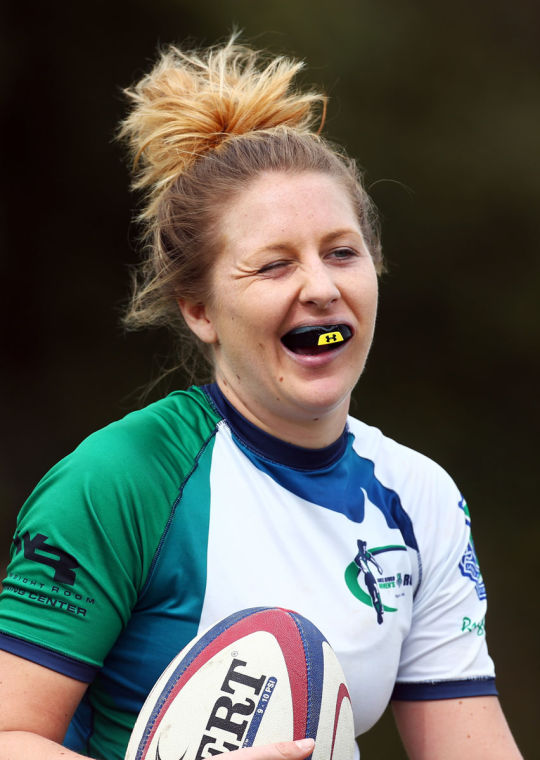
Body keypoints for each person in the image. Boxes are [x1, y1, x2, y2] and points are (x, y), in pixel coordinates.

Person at [0, 37, 522, 760]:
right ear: (200, 310)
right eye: (275, 264)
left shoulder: (420, 495)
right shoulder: (122, 480)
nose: (320, 286)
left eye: (342, 252)